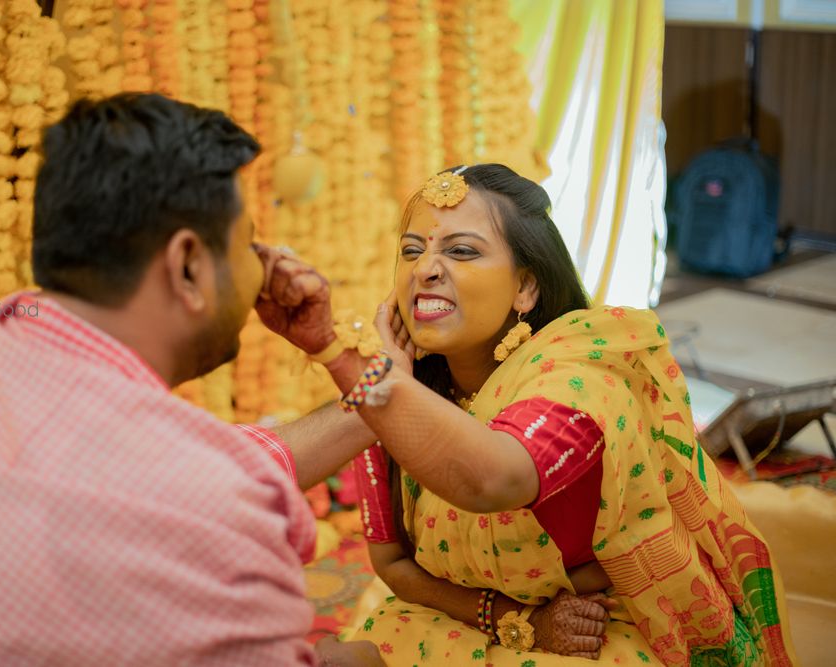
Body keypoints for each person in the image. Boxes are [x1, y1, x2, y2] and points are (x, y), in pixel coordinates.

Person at [0, 94, 382, 666]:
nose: (268, 265)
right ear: (188, 266)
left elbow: (204, 476)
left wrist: (354, 371)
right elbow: (199, 496)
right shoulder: (210, 511)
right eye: (249, 242)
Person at [296, 164, 797, 665]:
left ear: (526, 288)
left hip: (595, 629)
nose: (424, 269)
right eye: (411, 250)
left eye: (461, 250)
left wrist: (382, 385)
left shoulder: (578, 378)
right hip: (454, 618)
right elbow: (391, 561)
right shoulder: (398, 386)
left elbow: (493, 478)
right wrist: (508, 620)